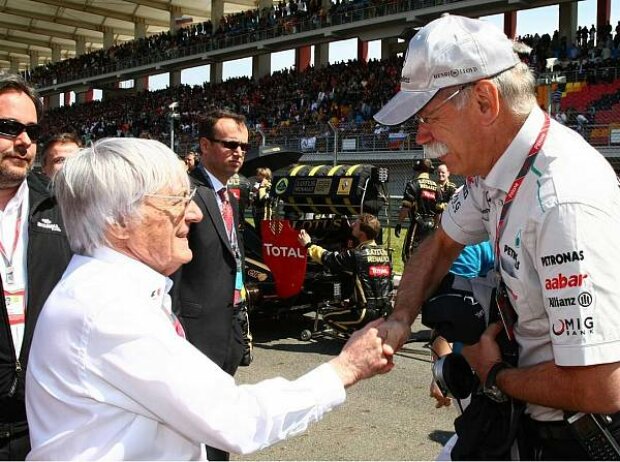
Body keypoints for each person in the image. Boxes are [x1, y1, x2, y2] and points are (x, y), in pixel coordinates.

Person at [25, 137, 394, 461]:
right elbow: (237, 419)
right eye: (176, 200)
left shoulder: (112, 289)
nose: (195, 212)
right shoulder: (109, 308)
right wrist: (345, 368)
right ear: (119, 221)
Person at [374, 14, 620, 460]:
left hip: (577, 438)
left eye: (428, 116)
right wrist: (401, 316)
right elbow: (440, 244)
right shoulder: (493, 170)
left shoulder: (563, 201)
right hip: (529, 420)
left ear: (486, 101)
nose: (421, 135)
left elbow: (602, 386)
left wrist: (493, 374)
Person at [0, 71, 72, 460]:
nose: (25, 141)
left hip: (42, 426)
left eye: (31, 129)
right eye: (9, 127)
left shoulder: (60, 209)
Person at [172, 109, 251, 461]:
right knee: (193, 430)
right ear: (204, 145)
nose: (239, 152)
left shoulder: (230, 197)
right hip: (193, 332)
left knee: (218, 424)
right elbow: (171, 267)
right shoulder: (185, 192)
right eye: (230, 144)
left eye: (244, 147)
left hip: (228, 327)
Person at [298, 214, 393, 333]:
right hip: (386, 312)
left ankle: (359, 336)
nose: (352, 225)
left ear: (362, 233)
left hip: (364, 313)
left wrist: (308, 245)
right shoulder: (385, 254)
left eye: (356, 224)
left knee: (327, 317)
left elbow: (330, 258)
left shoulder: (357, 255)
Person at [395, 158, 438, 263]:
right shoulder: (436, 187)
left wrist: (399, 223)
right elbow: (439, 210)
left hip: (417, 224)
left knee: (409, 255)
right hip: (431, 225)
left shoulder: (413, 184)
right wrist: (436, 226)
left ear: (417, 170)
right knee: (426, 256)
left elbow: (406, 207)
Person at [250, 167, 272, 231]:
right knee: (258, 228)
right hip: (256, 210)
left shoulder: (268, 185)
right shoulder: (257, 185)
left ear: (264, 176)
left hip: (265, 212)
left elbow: (264, 198)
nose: (256, 176)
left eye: (258, 175)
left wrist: (261, 187)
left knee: (264, 230)